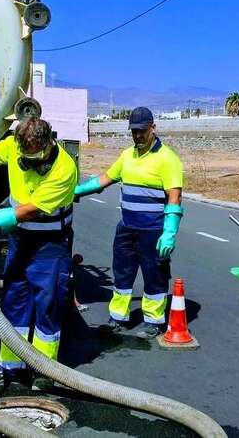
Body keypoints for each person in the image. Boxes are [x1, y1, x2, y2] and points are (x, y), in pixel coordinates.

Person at [0, 117, 78, 391]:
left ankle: (45, 368)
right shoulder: (14, 147)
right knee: (14, 299)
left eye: (33, 157)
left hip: (50, 244)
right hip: (21, 239)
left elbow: (30, 210)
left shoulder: (64, 168)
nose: (27, 163)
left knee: (48, 303)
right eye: (24, 156)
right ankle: (10, 366)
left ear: (48, 146)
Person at [75, 107, 184, 339]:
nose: (137, 136)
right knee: (122, 274)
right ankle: (117, 316)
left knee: (155, 275)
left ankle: (154, 321)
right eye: (133, 131)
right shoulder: (127, 156)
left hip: (153, 230)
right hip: (127, 228)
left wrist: (170, 232)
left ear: (153, 128)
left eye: (142, 131)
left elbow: (174, 198)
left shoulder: (168, 159)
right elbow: (105, 178)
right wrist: (76, 191)